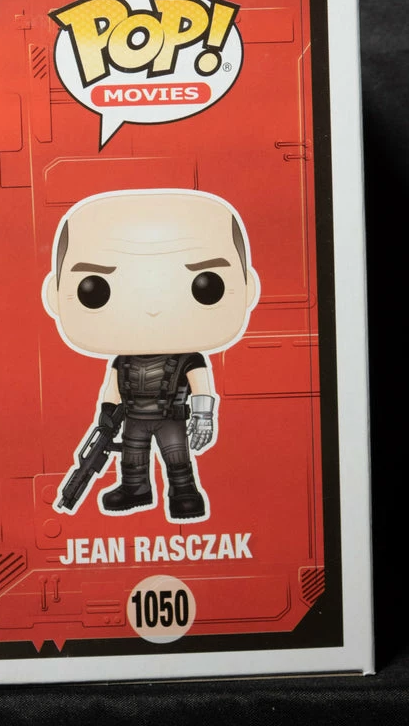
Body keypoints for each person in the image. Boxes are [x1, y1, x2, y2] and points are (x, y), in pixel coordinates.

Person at [44, 189, 259, 522]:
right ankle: (135, 489)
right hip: (133, 417)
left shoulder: (189, 357)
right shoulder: (123, 359)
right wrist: (106, 412)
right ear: (54, 295)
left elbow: (201, 386)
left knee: (176, 458)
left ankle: (184, 493)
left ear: (248, 288)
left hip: (170, 416)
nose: (153, 307)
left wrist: (204, 416)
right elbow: (112, 388)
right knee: (132, 458)